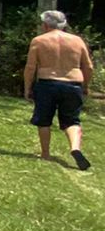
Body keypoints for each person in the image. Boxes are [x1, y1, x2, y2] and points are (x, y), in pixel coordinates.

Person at [24, 9, 93, 169]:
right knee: (72, 120)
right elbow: (88, 66)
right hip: (72, 83)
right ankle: (75, 148)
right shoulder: (77, 41)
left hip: (47, 83)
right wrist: (85, 85)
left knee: (44, 119)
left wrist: (27, 87)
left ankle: (45, 153)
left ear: (46, 24)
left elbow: (30, 67)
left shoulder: (39, 41)